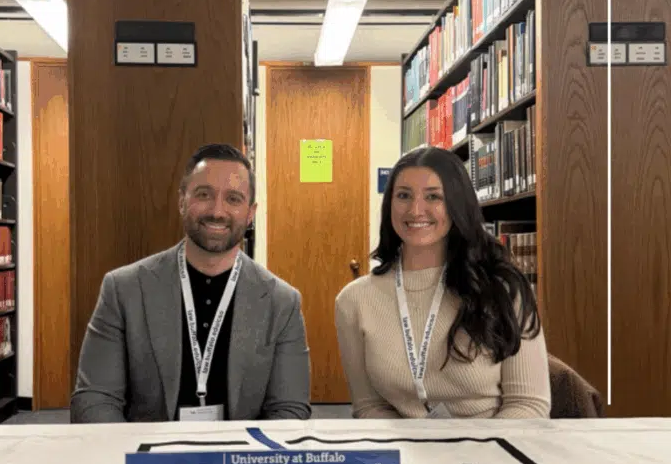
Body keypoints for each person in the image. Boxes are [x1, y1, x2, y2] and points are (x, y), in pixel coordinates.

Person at [70, 144, 311, 423]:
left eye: (233, 199)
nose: (217, 211)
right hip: (149, 459)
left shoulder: (282, 302)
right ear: (182, 200)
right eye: (204, 195)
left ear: (250, 213)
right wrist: (139, 462)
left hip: (239, 462)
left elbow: (290, 409)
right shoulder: (124, 289)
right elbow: (95, 398)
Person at [335, 146, 550, 419]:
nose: (415, 210)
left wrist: (466, 455)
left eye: (433, 196)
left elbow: (528, 405)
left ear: (457, 204)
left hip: (492, 452)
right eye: (403, 195)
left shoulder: (503, 289)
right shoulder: (354, 301)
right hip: (405, 453)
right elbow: (369, 406)